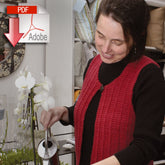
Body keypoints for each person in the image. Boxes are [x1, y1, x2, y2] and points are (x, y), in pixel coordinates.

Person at [40, 0, 165, 165]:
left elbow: (145, 147)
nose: (105, 49)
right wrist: (63, 113)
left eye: (117, 42)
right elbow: (94, 114)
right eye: (100, 35)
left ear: (136, 37)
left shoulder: (148, 75)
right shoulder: (93, 64)